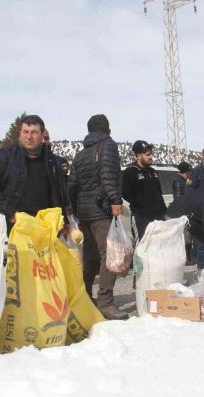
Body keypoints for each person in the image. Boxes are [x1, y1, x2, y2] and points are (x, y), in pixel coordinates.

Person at [67, 114, 125, 320]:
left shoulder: (81, 154)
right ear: (108, 130)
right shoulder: (108, 145)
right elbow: (108, 175)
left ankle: (85, 296)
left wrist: (74, 211)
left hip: (84, 214)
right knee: (110, 255)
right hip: (101, 212)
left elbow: (71, 185)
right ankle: (106, 302)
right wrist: (116, 201)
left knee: (90, 257)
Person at [0, 115, 70, 231]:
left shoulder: (53, 161)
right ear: (20, 133)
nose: (29, 137)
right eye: (25, 132)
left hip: (40, 227)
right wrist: (11, 213)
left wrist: (64, 221)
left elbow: (59, 193)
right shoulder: (5, 156)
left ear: (42, 134)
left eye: (34, 132)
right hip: (8, 225)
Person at [121, 140, 166, 242]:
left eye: (151, 154)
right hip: (141, 218)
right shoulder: (131, 171)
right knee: (142, 247)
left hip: (158, 217)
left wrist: (163, 210)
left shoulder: (153, 172)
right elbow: (125, 193)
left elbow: (159, 193)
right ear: (138, 155)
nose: (151, 157)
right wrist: (142, 205)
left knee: (158, 246)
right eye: (147, 154)